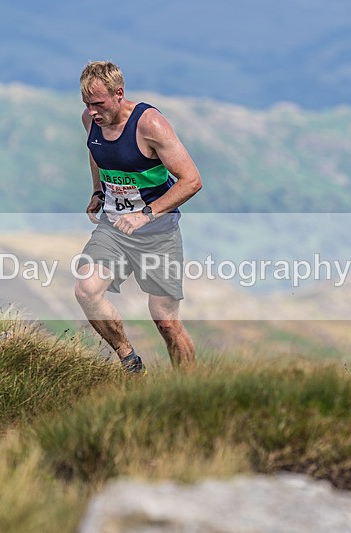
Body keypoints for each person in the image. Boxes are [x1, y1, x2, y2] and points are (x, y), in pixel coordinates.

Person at [74, 61, 202, 373]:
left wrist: (146, 215)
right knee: (86, 290)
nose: (92, 111)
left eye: (98, 103)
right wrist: (97, 192)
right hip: (114, 228)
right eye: (86, 104)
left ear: (119, 94)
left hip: (158, 232)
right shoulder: (91, 121)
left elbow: (191, 180)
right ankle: (129, 361)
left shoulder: (150, 124)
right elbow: (97, 152)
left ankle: (190, 391)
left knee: (166, 322)